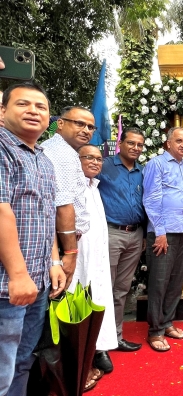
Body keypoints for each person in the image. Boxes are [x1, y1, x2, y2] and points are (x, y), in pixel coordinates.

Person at [0, 82, 65, 395]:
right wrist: (17, 274)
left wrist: (53, 261)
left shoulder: (43, 159)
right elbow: (1, 212)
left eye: (40, 107)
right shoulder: (2, 149)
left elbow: (47, 216)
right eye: (23, 104)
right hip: (8, 287)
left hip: (37, 283)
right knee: (2, 368)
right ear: (3, 111)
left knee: (23, 359)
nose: (33, 111)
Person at [142, 127, 183, 352]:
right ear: (168, 143)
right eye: (179, 141)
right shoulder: (157, 164)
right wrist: (160, 232)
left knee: (176, 282)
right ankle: (155, 331)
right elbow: (151, 199)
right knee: (159, 283)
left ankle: (167, 322)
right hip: (164, 233)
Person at [97, 127, 147, 353]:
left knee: (122, 289)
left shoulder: (142, 171)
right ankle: (99, 343)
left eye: (140, 145)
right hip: (111, 233)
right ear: (121, 143)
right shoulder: (104, 165)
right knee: (104, 287)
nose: (136, 148)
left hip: (135, 235)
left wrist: (145, 235)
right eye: (131, 143)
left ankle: (115, 338)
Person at [71, 144, 117, 387]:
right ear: (76, 160)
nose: (95, 162)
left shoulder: (94, 187)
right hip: (79, 261)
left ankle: (98, 348)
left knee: (99, 298)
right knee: (81, 303)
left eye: (99, 159)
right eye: (88, 157)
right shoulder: (74, 186)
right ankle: (82, 360)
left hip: (97, 258)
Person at [42, 106, 95, 290]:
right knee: (59, 292)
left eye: (90, 127)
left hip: (62, 241)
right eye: (79, 123)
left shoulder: (66, 151)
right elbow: (63, 206)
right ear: (61, 124)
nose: (86, 130)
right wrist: (70, 252)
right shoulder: (61, 153)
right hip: (60, 242)